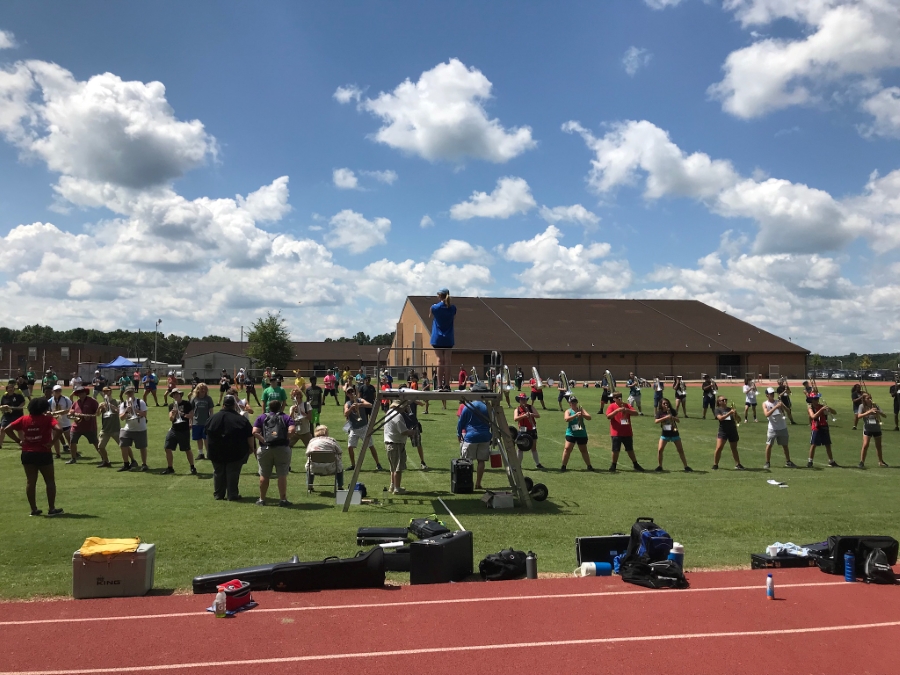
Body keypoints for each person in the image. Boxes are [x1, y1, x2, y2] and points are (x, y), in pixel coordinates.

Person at [5, 397, 63, 516]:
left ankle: (34, 509)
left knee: (31, 482)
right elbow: (59, 429)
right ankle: (52, 509)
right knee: (50, 481)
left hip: (27, 453)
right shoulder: (47, 419)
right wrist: (52, 442)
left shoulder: (24, 419)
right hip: (43, 452)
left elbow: (7, 429)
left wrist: (18, 441)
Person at [206, 394, 254, 501]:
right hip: (235, 451)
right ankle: (232, 494)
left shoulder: (213, 418)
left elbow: (207, 434)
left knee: (218, 472)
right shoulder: (241, 419)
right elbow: (250, 435)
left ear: (223, 405)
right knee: (233, 472)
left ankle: (219, 494)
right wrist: (251, 448)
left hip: (216, 451)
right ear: (234, 405)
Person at [252, 400, 296, 506]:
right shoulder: (286, 418)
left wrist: (264, 440)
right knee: (282, 475)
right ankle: (283, 499)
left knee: (264, 474)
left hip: (265, 449)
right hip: (282, 449)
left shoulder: (261, 417)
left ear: (268, 407)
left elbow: (254, 432)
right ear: (281, 406)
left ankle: (262, 499)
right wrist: (284, 438)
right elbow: (292, 430)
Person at [344, 385, 383, 471]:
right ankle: (353, 465)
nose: (351, 393)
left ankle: (378, 464)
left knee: (371, 446)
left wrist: (360, 405)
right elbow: (345, 414)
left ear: (355, 392)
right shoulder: (347, 404)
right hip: (354, 429)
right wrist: (351, 408)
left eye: (352, 391)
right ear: (347, 394)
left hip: (364, 427)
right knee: (350, 447)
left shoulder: (360, 400)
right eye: (349, 392)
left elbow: (370, 405)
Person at [457, 396, 492, 489]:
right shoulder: (487, 407)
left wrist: (459, 434)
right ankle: (478, 483)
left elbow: (461, 422)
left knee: (467, 462)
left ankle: (467, 483)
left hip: (471, 437)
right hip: (485, 437)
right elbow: (493, 422)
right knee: (481, 461)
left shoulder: (468, 406)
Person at [69, 385, 107, 466]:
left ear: (85, 393)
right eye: (79, 393)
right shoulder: (76, 403)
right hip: (76, 426)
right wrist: (72, 416)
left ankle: (104, 458)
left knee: (96, 443)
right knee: (72, 442)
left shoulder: (92, 401)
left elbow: (98, 412)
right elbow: (71, 412)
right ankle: (73, 458)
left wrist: (89, 416)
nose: (81, 394)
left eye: (82, 392)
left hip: (89, 427)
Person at [605, 391, 643, 472]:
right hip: (616, 432)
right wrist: (617, 411)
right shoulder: (611, 406)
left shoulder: (627, 405)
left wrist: (627, 410)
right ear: (614, 399)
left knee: (630, 449)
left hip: (627, 432)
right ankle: (613, 465)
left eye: (620, 397)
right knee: (615, 450)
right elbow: (608, 416)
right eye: (617, 397)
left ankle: (635, 464)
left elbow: (636, 413)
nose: (619, 398)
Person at [384, 401, 416, 493]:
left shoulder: (389, 413)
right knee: (398, 467)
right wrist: (411, 432)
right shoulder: (398, 416)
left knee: (393, 467)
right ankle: (397, 488)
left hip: (389, 442)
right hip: (396, 443)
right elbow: (403, 431)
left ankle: (392, 485)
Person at [162, 389, 196, 475]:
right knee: (167, 447)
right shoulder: (171, 405)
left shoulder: (187, 404)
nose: (175, 396)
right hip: (174, 429)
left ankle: (192, 467)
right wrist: (174, 413)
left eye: (176, 394)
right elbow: (171, 419)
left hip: (184, 430)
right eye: (173, 395)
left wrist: (182, 414)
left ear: (180, 395)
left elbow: (192, 415)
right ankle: (170, 468)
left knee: (187, 449)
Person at [429, 288, 456, 391]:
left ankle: (439, 385)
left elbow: (430, 314)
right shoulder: (453, 308)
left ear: (440, 296)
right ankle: (447, 385)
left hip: (437, 338)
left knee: (440, 360)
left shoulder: (435, 308)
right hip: (449, 337)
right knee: (448, 361)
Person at [655, 398, 692, 472]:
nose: (666, 405)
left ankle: (686, 466)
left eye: (667, 403)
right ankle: (660, 466)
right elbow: (656, 421)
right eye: (664, 403)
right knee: (660, 450)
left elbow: (678, 420)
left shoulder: (672, 411)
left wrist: (672, 417)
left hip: (674, 432)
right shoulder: (659, 412)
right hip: (665, 433)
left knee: (680, 450)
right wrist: (665, 417)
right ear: (661, 405)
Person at [118, 386, 149, 471]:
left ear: (134, 392)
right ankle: (126, 464)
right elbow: (121, 418)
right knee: (123, 444)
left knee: (142, 447)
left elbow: (145, 414)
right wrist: (127, 410)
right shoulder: (123, 404)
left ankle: (144, 464)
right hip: (128, 428)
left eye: (131, 392)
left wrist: (135, 410)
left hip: (140, 428)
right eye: (128, 393)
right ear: (125, 394)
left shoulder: (140, 402)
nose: (129, 394)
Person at [305, 425, 344, 492]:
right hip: (331, 467)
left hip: (315, 467)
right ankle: (340, 486)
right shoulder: (332, 441)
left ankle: (310, 486)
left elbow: (307, 453)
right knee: (339, 464)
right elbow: (340, 451)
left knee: (309, 463)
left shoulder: (312, 441)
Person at [763, 387, 794, 469]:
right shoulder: (765, 404)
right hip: (772, 428)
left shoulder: (779, 402)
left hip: (782, 427)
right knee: (769, 445)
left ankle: (788, 461)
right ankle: (767, 462)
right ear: (767, 395)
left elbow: (788, 411)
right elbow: (766, 414)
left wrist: (782, 406)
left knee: (785, 445)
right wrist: (776, 407)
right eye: (770, 394)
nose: (772, 395)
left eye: (773, 393)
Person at [713, 395, 745, 470]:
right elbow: (720, 418)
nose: (725, 401)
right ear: (719, 402)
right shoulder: (718, 410)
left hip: (732, 430)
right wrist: (729, 413)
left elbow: (739, 420)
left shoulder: (730, 409)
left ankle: (738, 464)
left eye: (725, 400)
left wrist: (736, 415)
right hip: (723, 431)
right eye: (723, 400)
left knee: (734, 448)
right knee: (719, 448)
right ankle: (715, 464)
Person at [807, 393, 839, 467]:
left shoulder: (821, 406)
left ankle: (831, 461)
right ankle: (810, 461)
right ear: (812, 400)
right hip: (816, 427)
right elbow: (813, 416)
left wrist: (829, 408)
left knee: (828, 444)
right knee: (813, 444)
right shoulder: (810, 408)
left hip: (824, 426)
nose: (817, 400)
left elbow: (835, 412)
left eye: (817, 399)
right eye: (815, 399)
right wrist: (821, 410)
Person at [856, 393, 887, 468]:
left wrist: (878, 412)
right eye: (868, 398)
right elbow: (859, 416)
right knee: (865, 445)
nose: (870, 399)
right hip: (868, 428)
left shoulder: (875, 405)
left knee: (878, 446)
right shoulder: (862, 406)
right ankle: (862, 462)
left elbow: (884, 415)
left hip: (876, 428)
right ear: (864, 399)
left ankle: (880, 461)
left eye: (870, 398)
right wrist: (869, 412)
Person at [513, 392, 543, 468]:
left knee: (533, 447)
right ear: (519, 400)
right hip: (522, 431)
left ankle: (537, 464)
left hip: (531, 429)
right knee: (520, 448)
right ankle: (518, 464)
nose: (523, 401)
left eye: (524, 399)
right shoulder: (517, 409)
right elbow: (515, 419)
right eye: (522, 400)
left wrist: (531, 414)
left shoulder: (530, 407)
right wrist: (523, 416)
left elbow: (538, 415)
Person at [97, 386, 124, 469]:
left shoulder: (117, 402)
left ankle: (132, 461)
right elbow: (97, 414)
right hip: (105, 429)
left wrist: (112, 406)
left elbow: (121, 412)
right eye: (104, 391)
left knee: (123, 446)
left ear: (110, 392)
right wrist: (99, 408)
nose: (106, 393)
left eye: (107, 391)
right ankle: (106, 461)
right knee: (100, 446)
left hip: (115, 428)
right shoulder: (102, 403)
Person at [190, 383, 215, 460]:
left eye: (204, 388)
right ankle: (201, 453)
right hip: (196, 422)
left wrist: (210, 420)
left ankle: (208, 453)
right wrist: (190, 422)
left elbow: (211, 411)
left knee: (206, 438)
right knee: (198, 438)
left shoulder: (208, 399)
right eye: (201, 388)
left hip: (206, 422)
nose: (203, 390)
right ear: (198, 389)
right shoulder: (194, 399)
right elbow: (191, 411)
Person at [48, 384, 72, 458]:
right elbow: (48, 411)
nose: (58, 392)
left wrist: (57, 413)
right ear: (53, 392)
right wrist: (51, 414)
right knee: (55, 439)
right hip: (55, 423)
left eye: (59, 390)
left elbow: (69, 410)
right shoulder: (50, 401)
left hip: (65, 422)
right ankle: (58, 454)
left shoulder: (66, 399)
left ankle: (73, 452)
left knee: (69, 438)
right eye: (56, 391)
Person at [0, 381, 26, 446]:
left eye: (12, 387)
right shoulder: (4, 397)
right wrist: (4, 407)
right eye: (9, 388)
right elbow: (1, 407)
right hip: (7, 416)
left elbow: (23, 402)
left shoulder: (18, 396)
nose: (10, 389)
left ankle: (23, 444)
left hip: (17, 415)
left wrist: (18, 407)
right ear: (7, 389)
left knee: (19, 430)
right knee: (2, 429)